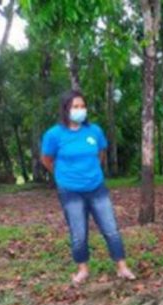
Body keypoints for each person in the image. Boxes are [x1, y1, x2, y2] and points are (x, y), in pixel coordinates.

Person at [41, 90, 135, 284]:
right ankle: (82, 270)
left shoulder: (94, 131)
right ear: (66, 109)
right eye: (75, 107)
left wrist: (92, 171)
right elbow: (47, 159)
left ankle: (122, 267)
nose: (80, 110)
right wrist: (62, 176)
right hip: (70, 191)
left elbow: (100, 153)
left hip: (96, 188)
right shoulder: (54, 134)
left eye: (82, 106)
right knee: (79, 233)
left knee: (111, 229)